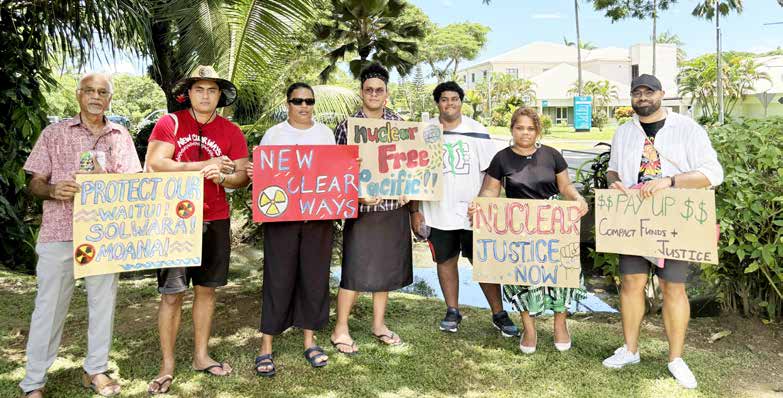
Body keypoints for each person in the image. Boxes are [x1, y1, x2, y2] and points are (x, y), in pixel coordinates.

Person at [20, 72, 143, 397]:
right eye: (89, 90)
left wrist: (109, 182)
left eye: (102, 92)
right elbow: (34, 182)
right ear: (78, 95)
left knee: (103, 304)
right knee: (49, 306)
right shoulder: (54, 133)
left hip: (104, 234)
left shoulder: (121, 135)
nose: (95, 96)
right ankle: (34, 381)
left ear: (109, 99)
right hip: (60, 231)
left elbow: (135, 183)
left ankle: (96, 370)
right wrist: (52, 189)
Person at [601, 74, 723, 390]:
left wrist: (669, 181)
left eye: (649, 92)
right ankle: (630, 350)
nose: (642, 97)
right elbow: (613, 167)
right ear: (631, 97)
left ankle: (676, 358)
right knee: (631, 282)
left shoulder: (687, 129)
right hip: (633, 217)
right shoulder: (624, 132)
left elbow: (713, 173)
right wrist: (614, 180)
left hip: (673, 219)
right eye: (636, 92)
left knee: (674, 288)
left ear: (662, 95)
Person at [145, 65, 249, 394]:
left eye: (212, 90)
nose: (205, 95)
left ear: (220, 96)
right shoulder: (170, 122)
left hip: (216, 216)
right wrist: (201, 166)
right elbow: (156, 163)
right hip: (175, 219)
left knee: (206, 290)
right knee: (172, 295)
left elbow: (242, 176)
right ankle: (167, 365)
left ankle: (201, 356)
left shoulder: (231, 132)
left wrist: (224, 177)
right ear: (188, 93)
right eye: (199, 89)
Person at [469, 107, 589, 354]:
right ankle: (529, 328)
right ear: (512, 129)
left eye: (530, 128)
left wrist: (578, 198)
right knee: (521, 277)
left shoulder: (552, 155)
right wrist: (480, 205)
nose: (525, 133)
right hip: (518, 227)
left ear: (538, 131)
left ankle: (560, 325)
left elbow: (565, 186)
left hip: (552, 225)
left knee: (560, 275)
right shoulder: (501, 158)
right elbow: (491, 190)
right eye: (519, 127)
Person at [415, 81, 519, 336]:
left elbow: (491, 173)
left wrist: (483, 200)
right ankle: (452, 311)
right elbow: (414, 174)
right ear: (437, 103)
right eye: (444, 99)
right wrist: (414, 211)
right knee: (446, 261)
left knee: (484, 263)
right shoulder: (424, 132)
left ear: (461, 102)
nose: (449, 103)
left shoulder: (477, 131)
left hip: (473, 214)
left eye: (454, 99)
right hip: (437, 211)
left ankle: (499, 313)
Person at [246, 83, 335, 376]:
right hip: (281, 219)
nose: (304, 105)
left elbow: (335, 172)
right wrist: (255, 171)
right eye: (298, 100)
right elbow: (265, 175)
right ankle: (266, 346)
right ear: (288, 104)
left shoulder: (325, 134)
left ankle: (310, 342)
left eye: (309, 101)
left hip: (318, 220)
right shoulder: (274, 135)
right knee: (278, 278)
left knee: (314, 278)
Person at [330, 63, 413, 354]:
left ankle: (379, 325)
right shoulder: (347, 126)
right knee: (353, 270)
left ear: (386, 93)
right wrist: (357, 197)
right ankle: (341, 328)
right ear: (361, 93)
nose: (374, 94)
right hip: (362, 211)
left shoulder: (400, 124)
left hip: (393, 209)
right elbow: (337, 174)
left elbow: (410, 165)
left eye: (379, 89)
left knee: (387, 271)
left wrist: (409, 190)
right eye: (369, 90)